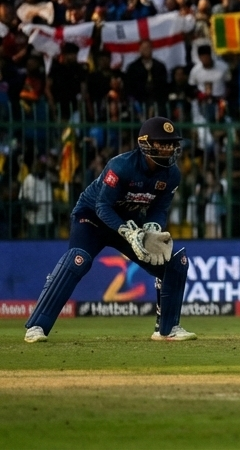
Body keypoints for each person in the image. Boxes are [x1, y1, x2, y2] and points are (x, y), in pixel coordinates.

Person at [24, 117, 193, 343]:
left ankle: (167, 329)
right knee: (78, 260)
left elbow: (159, 209)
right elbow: (102, 206)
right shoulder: (121, 166)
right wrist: (127, 231)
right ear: (145, 144)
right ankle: (37, 326)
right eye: (162, 143)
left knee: (175, 264)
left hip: (130, 225)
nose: (168, 148)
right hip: (92, 218)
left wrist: (152, 228)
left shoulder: (172, 175)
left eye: (171, 143)